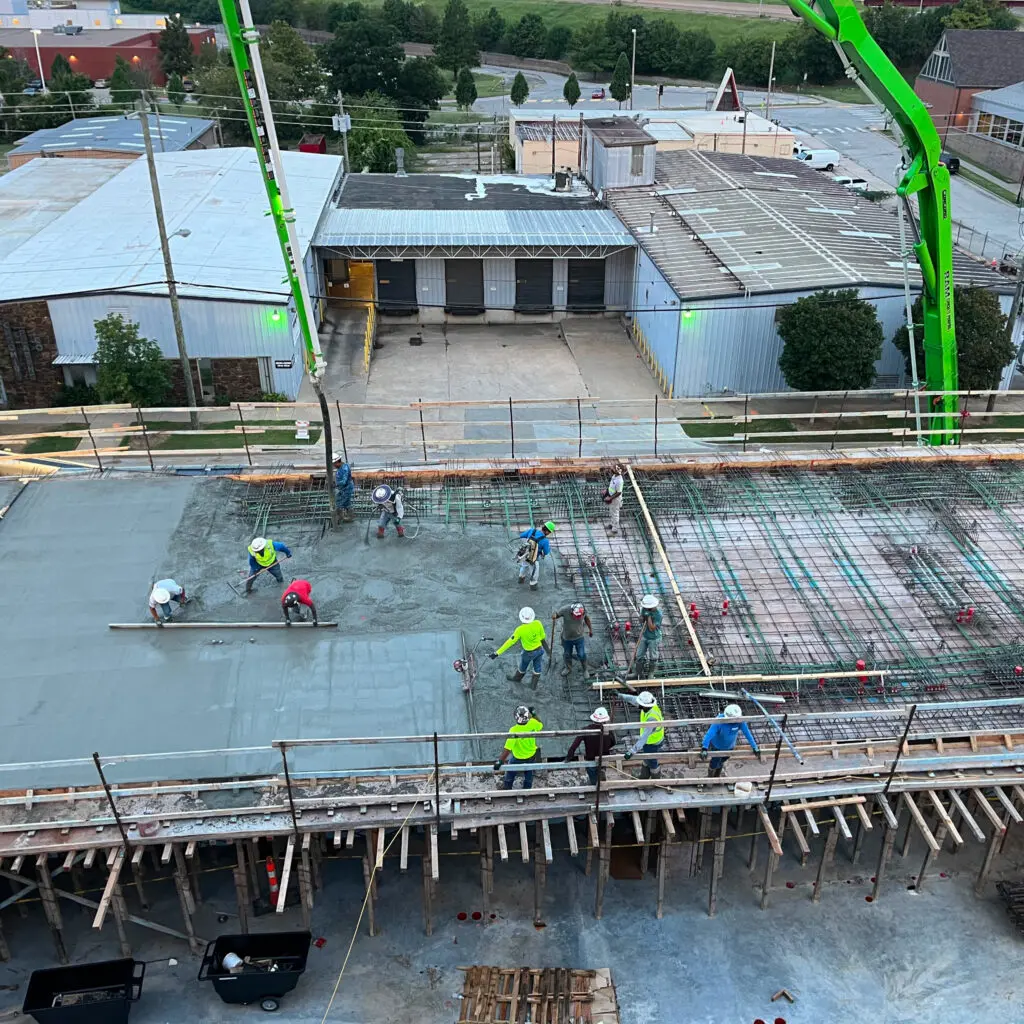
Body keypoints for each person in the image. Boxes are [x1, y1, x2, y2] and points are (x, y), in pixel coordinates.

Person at [490, 606, 550, 687]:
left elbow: (509, 642)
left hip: (528, 653)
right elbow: (542, 637)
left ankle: (517, 679)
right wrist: (548, 651)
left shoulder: (520, 630)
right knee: (537, 667)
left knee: (523, 667)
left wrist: (497, 653)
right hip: (539, 650)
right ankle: (533, 686)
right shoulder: (538, 623)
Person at [701, 704, 760, 778]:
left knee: (723, 760)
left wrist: (754, 747)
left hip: (730, 747)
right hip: (717, 746)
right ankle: (710, 777)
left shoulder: (740, 721)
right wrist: (704, 747)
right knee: (714, 762)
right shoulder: (719, 721)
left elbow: (747, 734)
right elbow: (709, 734)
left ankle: (717, 774)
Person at [493, 705, 543, 790]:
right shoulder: (533, 723)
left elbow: (508, 748)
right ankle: (527, 788)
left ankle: (507, 786)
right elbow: (540, 724)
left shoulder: (514, 730)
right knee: (529, 771)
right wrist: (534, 714)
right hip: (531, 754)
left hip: (518, 757)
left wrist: (500, 761)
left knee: (511, 770)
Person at [620, 685, 665, 779]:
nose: (638, 705)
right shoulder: (650, 705)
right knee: (647, 757)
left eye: (640, 704)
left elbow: (643, 738)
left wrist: (631, 751)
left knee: (652, 761)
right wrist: (620, 695)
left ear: (645, 706)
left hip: (652, 742)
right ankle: (644, 776)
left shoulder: (651, 718)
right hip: (653, 739)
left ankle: (656, 779)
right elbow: (633, 699)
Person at [565, 707, 616, 785]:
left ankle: (594, 784)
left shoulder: (586, 730)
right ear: (605, 720)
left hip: (591, 758)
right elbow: (614, 742)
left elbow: (575, 744)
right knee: (601, 772)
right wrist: (605, 747)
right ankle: (601, 779)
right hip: (603, 758)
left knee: (593, 778)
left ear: (593, 719)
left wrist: (569, 756)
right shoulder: (608, 730)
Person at [552, 602, 593, 678]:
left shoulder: (583, 611)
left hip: (579, 637)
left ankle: (585, 669)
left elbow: (587, 619)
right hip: (567, 638)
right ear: (572, 611)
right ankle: (568, 668)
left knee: (581, 654)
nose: (577, 617)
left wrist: (590, 629)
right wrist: (554, 616)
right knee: (567, 654)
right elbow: (556, 615)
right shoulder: (565, 610)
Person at [516, 520, 556, 589]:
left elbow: (522, 535)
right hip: (533, 559)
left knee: (524, 566)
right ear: (547, 531)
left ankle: (521, 579)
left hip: (525, 555)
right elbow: (546, 552)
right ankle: (533, 586)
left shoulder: (532, 531)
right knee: (534, 573)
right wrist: (547, 548)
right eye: (549, 532)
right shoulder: (545, 541)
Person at [633, 594, 663, 677]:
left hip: (654, 638)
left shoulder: (658, 615)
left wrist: (649, 616)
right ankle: (638, 673)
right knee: (639, 655)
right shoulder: (644, 609)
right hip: (645, 635)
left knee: (653, 656)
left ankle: (651, 673)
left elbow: (652, 628)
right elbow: (641, 620)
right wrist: (642, 617)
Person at [604, 463, 624, 535]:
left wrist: (610, 498)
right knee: (611, 512)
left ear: (617, 471)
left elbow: (619, 492)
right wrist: (606, 491)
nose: (612, 469)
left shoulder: (620, 481)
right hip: (611, 496)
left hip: (615, 499)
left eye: (614, 468)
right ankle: (612, 525)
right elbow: (611, 486)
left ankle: (614, 529)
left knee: (615, 513)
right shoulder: (614, 476)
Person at [334, 457, 354, 523]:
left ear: (338, 462)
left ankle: (339, 518)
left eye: (334, 464)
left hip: (347, 488)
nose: (334, 466)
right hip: (343, 489)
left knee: (339, 503)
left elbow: (344, 481)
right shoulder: (342, 467)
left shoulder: (344, 469)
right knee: (346, 503)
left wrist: (335, 484)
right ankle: (350, 517)